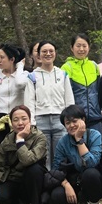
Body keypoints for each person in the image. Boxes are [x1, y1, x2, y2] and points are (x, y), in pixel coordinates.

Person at [0, 105, 48, 204]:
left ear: (30, 120)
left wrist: (20, 140)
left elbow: (27, 160)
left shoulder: (39, 137)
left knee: (34, 170)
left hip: (33, 181)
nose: (20, 123)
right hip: (14, 180)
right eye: (15, 120)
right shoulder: (7, 140)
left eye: (24, 119)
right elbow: (0, 167)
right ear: (11, 122)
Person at [49, 104, 102, 204]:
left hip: (95, 182)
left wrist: (79, 140)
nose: (71, 125)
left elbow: (91, 163)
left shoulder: (94, 135)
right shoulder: (63, 142)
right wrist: (66, 185)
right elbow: (56, 169)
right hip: (75, 182)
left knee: (91, 173)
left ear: (83, 120)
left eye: (74, 121)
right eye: (68, 123)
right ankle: (80, 203)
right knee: (56, 195)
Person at [25, 40, 74, 168]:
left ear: (55, 53)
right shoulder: (32, 76)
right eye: (44, 51)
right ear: (38, 55)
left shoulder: (63, 74)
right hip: (40, 121)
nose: (48, 54)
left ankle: (59, 179)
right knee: (44, 158)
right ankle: (46, 179)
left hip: (60, 120)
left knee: (60, 156)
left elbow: (69, 100)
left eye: (51, 51)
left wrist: (70, 120)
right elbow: (29, 101)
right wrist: (31, 122)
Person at [0, 43, 30, 154]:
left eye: (2, 57)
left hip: (19, 121)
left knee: (19, 152)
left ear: (12, 59)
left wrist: (20, 67)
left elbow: (19, 83)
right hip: (1, 122)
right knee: (2, 153)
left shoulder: (24, 75)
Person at [62, 33, 102, 135]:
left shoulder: (94, 66)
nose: (81, 49)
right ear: (72, 48)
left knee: (97, 144)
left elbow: (99, 91)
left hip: (96, 118)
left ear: (89, 47)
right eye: (78, 46)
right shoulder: (66, 67)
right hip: (76, 120)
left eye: (84, 46)